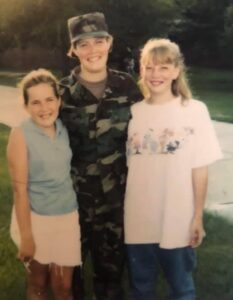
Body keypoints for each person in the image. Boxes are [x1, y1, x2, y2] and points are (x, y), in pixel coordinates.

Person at [124, 38, 223, 300]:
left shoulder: (195, 111)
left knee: (181, 289)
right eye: (149, 67)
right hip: (138, 218)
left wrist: (197, 217)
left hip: (177, 218)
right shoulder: (132, 113)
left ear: (177, 71)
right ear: (141, 70)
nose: (156, 74)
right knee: (141, 287)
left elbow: (200, 168)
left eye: (164, 67)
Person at [59, 12, 142, 300]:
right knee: (71, 276)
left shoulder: (128, 88)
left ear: (109, 43)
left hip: (116, 200)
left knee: (111, 279)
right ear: (73, 50)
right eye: (83, 44)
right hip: (72, 200)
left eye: (98, 41)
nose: (91, 49)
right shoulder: (60, 94)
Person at [7, 69, 81, 300]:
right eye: (36, 102)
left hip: (67, 216)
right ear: (26, 106)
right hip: (35, 218)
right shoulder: (21, 134)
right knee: (38, 284)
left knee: (63, 287)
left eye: (49, 99)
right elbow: (19, 190)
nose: (44, 108)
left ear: (59, 101)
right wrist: (27, 236)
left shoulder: (63, 129)